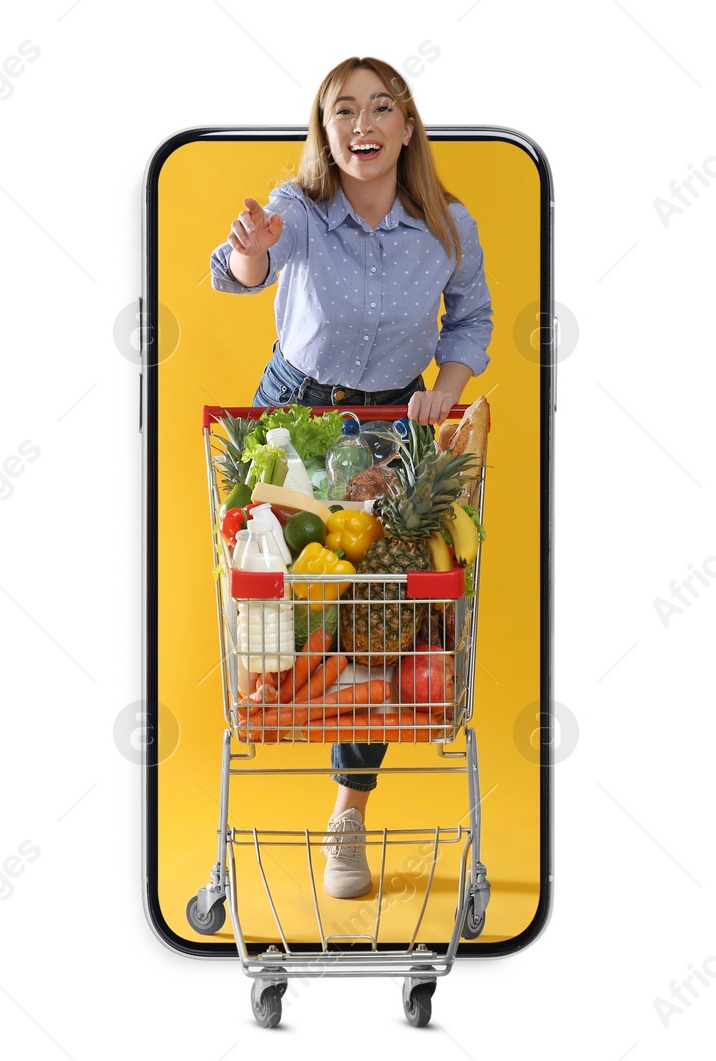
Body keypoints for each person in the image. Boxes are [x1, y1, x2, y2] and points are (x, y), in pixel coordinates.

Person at [209, 56, 493, 897]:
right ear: (324, 131)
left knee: (374, 613)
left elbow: (471, 317)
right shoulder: (298, 208)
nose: (362, 125)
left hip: (388, 433)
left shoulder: (449, 226)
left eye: (380, 108)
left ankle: (348, 814)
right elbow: (247, 268)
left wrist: (442, 392)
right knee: (273, 595)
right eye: (343, 111)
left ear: (407, 125)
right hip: (292, 419)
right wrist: (253, 253)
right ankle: (260, 733)